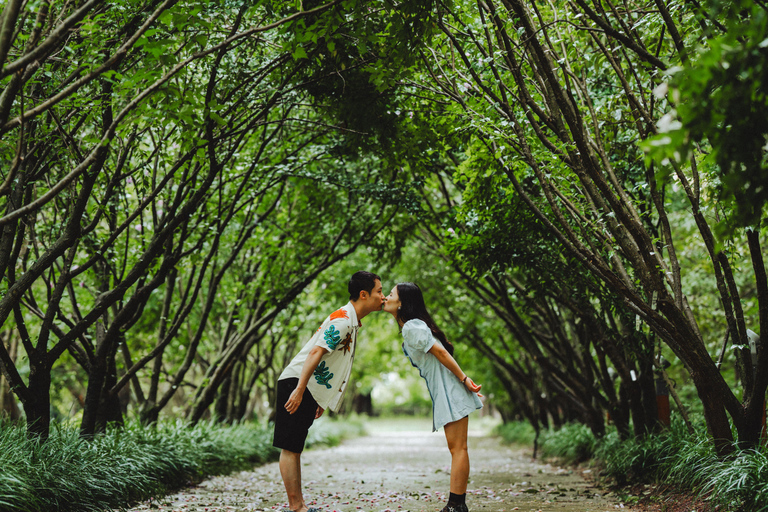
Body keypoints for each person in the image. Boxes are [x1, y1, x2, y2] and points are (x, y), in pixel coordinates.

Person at [272, 271, 385, 512]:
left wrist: (320, 399)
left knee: (295, 448)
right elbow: (316, 352)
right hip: (296, 383)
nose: (383, 297)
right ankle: (296, 508)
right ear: (363, 295)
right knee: (290, 448)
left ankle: (299, 506)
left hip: (306, 387)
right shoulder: (343, 320)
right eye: (379, 292)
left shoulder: (350, 321)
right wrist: (300, 390)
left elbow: (333, 362)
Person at [382, 282, 483, 512]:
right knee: (458, 448)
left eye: (390, 294)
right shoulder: (413, 326)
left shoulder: (411, 327)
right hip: (447, 390)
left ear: (402, 303)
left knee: (459, 449)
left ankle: (456, 506)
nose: (386, 297)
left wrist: (465, 379)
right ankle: (457, 505)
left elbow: (440, 352)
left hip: (450, 390)